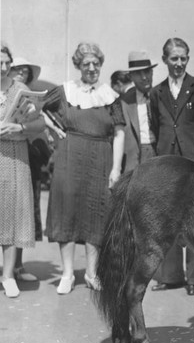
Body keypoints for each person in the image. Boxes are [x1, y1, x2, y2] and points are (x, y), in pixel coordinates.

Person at [43, 42, 125, 295]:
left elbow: (120, 133)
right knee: (66, 211)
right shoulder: (65, 91)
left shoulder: (110, 96)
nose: (91, 68)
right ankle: (67, 273)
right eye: (86, 64)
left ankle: (91, 272)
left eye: (96, 63)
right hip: (69, 157)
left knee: (96, 214)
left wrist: (116, 169)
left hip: (100, 158)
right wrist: (54, 129)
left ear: (101, 64)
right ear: (78, 66)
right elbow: (39, 107)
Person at [149, 38, 194, 296]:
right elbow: (155, 126)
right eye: (174, 58)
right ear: (165, 60)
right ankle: (171, 276)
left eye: (183, 58)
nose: (179, 63)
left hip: (193, 161)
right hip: (167, 162)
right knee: (167, 219)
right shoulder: (156, 92)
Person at [0, 44, 45, 297]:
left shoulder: (21, 89)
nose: (4, 68)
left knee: (10, 214)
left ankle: (8, 275)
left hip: (15, 158)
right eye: (0, 63)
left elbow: (38, 122)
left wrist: (20, 129)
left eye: (7, 62)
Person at [120, 51, 157, 173]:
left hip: (159, 156)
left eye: (147, 71)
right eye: (138, 73)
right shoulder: (123, 102)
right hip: (135, 159)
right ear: (131, 77)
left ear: (152, 72)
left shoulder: (161, 96)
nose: (144, 77)